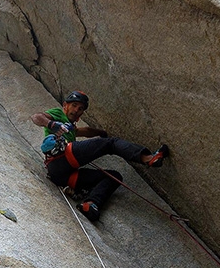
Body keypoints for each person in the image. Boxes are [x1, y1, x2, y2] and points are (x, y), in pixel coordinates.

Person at [31, 90, 169, 222]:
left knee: (114, 177)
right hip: (60, 156)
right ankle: (148, 158)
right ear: (65, 105)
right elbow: (36, 117)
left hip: (62, 176)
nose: (76, 110)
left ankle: (90, 204)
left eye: (80, 109)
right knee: (112, 144)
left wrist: (101, 132)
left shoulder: (71, 128)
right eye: (74, 105)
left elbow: (85, 131)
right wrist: (51, 124)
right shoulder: (57, 114)